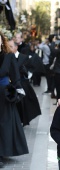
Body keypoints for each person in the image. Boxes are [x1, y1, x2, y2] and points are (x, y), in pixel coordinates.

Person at [0, 31, 28, 167]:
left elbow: (15, 76)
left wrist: (17, 91)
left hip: (3, 96)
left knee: (3, 124)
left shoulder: (8, 56)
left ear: (2, 41)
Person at [8, 39, 42, 126]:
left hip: (22, 84)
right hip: (10, 85)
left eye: (11, 46)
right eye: (8, 46)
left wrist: (27, 76)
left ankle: (21, 121)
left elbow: (30, 68)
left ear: (16, 47)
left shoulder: (24, 57)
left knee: (23, 104)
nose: (9, 48)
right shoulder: (6, 57)